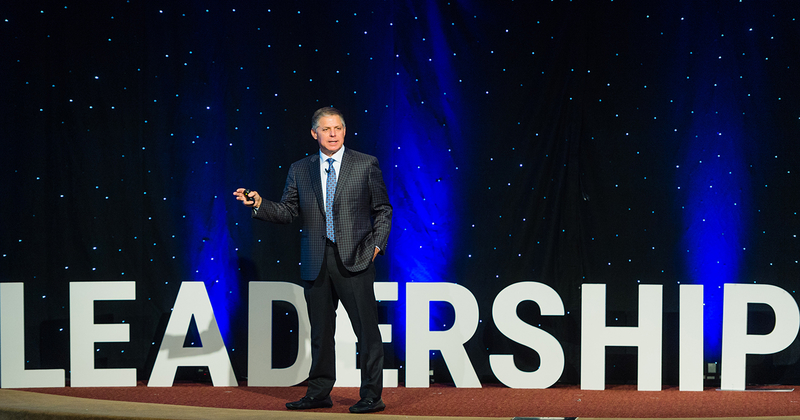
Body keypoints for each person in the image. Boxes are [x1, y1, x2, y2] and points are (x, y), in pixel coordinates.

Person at [233, 107, 392, 413]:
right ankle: (319, 392)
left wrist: (376, 246)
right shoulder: (300, 169)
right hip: (316, 259)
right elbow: (288, 211)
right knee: (320, 332)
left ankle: (372, 396)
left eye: (338, 128)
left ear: (344, 131)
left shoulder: (365, 163)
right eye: (326, 129)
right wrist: (260, 203)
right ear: (314, 133)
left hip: (356, 258)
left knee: (366, 332)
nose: (333, 134)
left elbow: (383, 209)